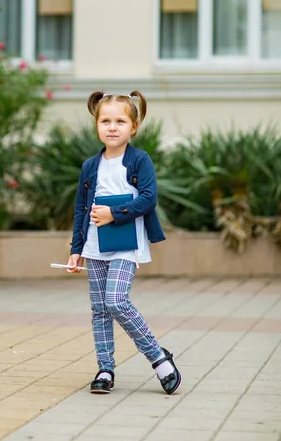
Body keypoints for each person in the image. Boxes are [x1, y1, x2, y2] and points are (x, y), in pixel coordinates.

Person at [66, 90, 181, 395]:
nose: (112, 127)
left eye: (120, 121)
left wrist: (114, 214)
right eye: (106, 121)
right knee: (99, 309)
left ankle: (158, 357)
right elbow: (81, 209)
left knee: (116, 300)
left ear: (133, 127)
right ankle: (105, 369)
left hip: (127, 243)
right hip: (94, 245)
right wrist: (75, 251)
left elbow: (148, 199)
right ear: (97, 126)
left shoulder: (139, 160)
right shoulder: (90, 166)